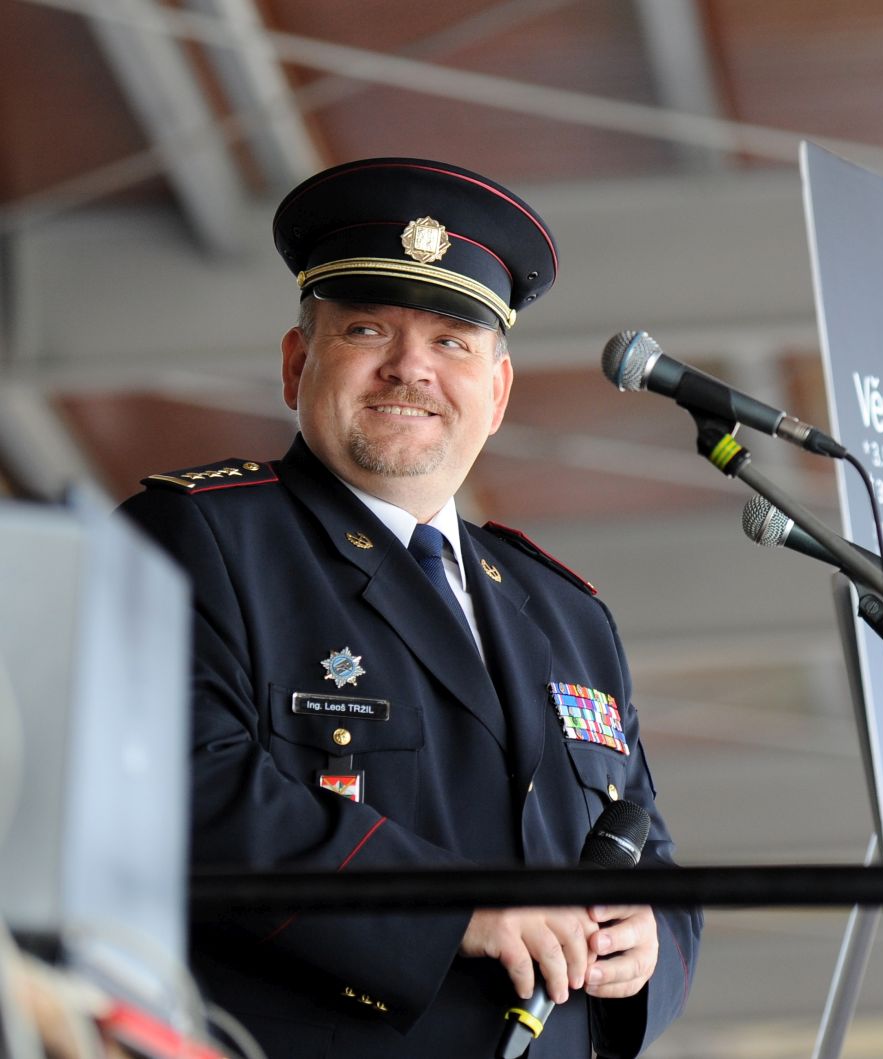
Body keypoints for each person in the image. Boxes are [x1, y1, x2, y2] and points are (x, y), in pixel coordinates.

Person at [121, 157, 701, 1058]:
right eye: (367, 329)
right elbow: (176, 790)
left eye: (453, 342)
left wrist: (650, 940)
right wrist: (449, 903)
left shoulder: (571, 615)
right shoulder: (201, 537)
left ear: (497, 394)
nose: (410, 369)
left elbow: (650, 854)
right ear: (296, 363)